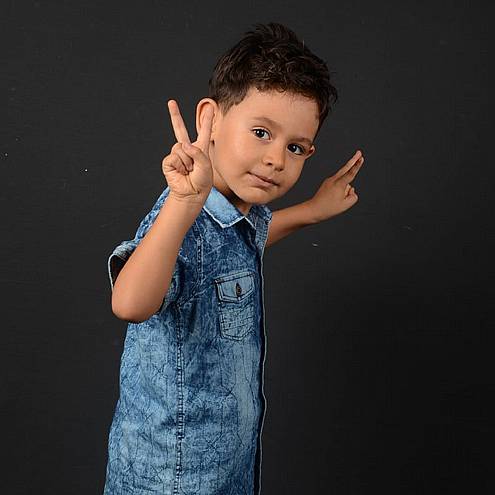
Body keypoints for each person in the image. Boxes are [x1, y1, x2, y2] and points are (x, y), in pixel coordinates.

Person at [103, 21, 365, 494]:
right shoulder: (183, 213)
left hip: (228, 469)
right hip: (172, 478)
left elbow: (237, 248)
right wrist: (183, 203)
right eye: (261, 132)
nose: (277, 159)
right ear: (211, 120)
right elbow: (130, 302)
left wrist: (310, 210)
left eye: (295, 147)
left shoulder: (242, 214)